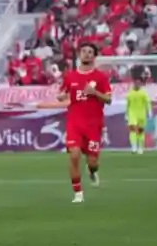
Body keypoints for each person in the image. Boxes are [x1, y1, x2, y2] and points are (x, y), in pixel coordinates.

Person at [39, 43, 111, 203]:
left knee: (93, 161)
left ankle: (92, 171)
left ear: (94, 56)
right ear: (80, 55)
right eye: (84, 51)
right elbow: (63, 93)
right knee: (74, 155)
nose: (87, 54)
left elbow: (109, 99)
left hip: (94, 125)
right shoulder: (70, 76)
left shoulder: (100, 77)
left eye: (90, 52)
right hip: (75, 123)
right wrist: (62, 96)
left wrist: (95, 93)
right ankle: (78, 193)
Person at [125, 74, 153, 154]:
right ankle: (134, 146)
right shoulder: (130, 93)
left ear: (140, 84)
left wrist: (149, 112)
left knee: (140, 132)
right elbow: (127, 104)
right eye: (135, 83)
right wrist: (126, 114)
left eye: (138, 83)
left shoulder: (143, 93)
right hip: (132, 114)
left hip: (141, 114)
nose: (137, 85)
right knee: (133, 130)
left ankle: (140, 147)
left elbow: (148, 103)